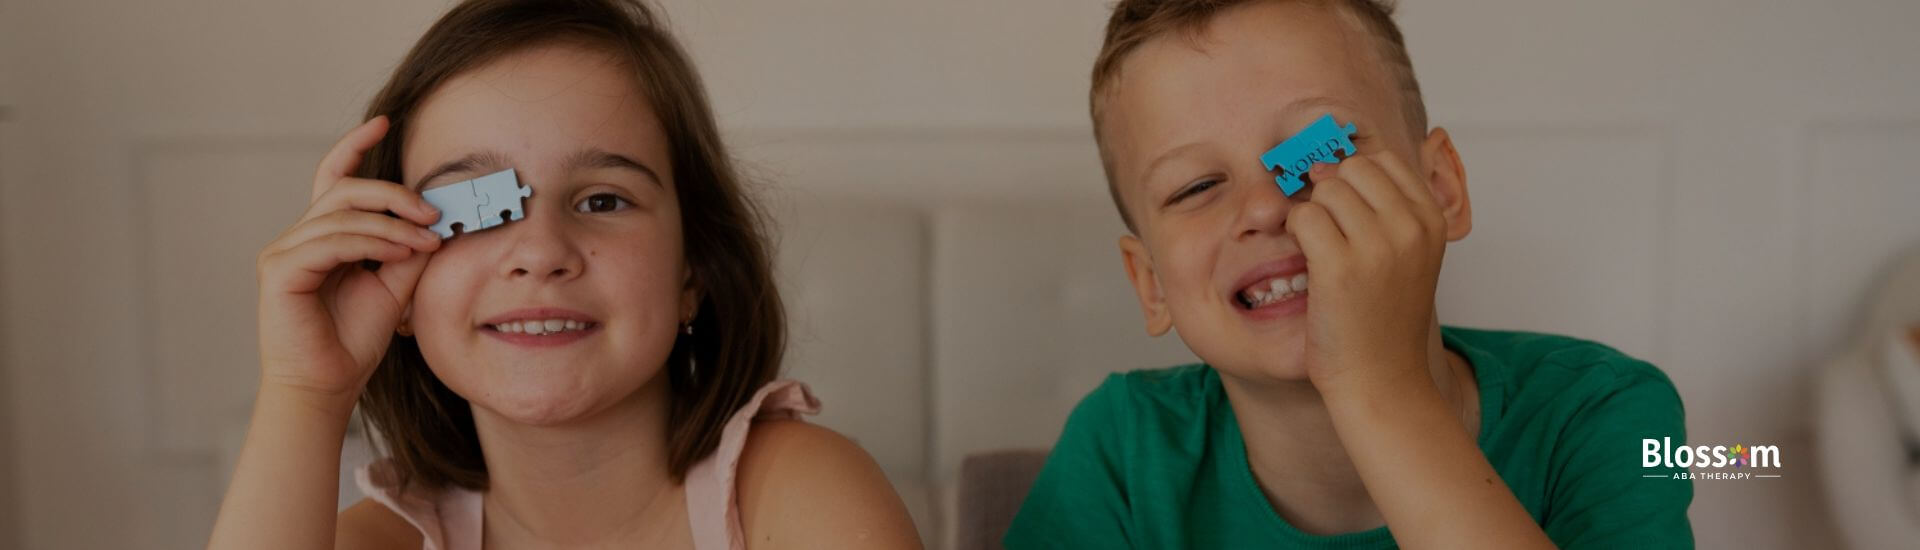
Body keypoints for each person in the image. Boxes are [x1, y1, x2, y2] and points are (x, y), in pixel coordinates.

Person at [207, 1, 921, 548]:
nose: (541, 249)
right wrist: (307, 392)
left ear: (693, 270)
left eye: (603, 200)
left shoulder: (796, 494)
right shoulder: (381, 541)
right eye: (478, 210)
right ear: (395, 270)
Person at [1005, 1, 1692, 547]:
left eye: (1318, 148)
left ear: (1440, 188)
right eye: (1196, 187)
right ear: (1150, 283)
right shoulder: (1119, 448)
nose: (1270, 205)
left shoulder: (1610, 411)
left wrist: (1377, 385)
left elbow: (1743, 460)